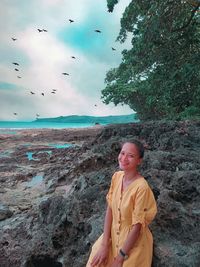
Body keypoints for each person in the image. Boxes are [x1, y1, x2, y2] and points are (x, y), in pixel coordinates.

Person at [86, 140, 157, 267]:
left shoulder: (142, 187)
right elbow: (110, 209)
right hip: (113, 236)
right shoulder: (116, 177)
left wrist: (120, 257)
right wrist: (104, 244)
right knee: (95, 262)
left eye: (131, 156)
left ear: (139, 161)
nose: (124, 158)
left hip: (133, 243)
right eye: (122, 153)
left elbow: (137, 227)